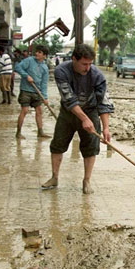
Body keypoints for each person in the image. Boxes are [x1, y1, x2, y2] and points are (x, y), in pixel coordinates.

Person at [41, 44, 114, 194]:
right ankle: (54, 177)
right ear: (74, 58)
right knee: (58, 144)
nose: (87, 68)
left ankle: (86, 180)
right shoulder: (62, 71)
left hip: (91, 110)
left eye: (90, 64)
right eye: (84, 64)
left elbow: (104, 102)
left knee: (91, 147)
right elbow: (69, 99)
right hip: (68, 113)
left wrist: (106, 127)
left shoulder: (97, 75)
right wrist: (83, 118)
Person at [14, 45, 50, 139]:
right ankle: (18, 132)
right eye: (37, 51)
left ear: (44, 56)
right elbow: (18, 67)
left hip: (37, 92)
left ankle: (40, 132)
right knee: (25, 110)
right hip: (26, 90)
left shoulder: (45, 68)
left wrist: (45, 97)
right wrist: (26, 76)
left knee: (39, 111)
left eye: (40, 52)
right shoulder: (29, 60)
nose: (37, 53)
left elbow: (44, 84)